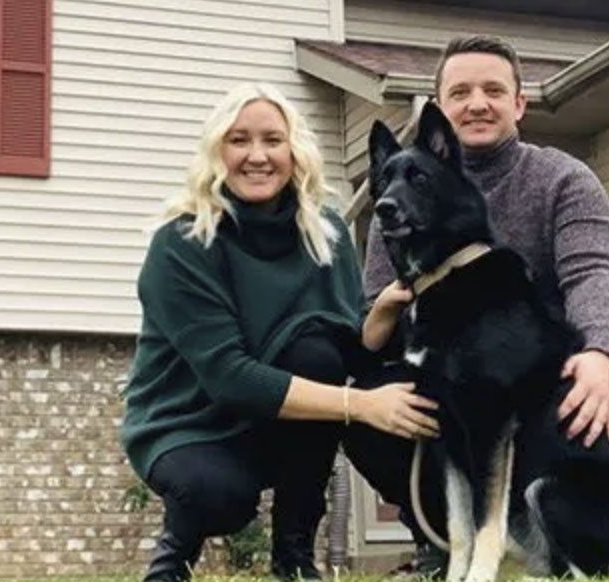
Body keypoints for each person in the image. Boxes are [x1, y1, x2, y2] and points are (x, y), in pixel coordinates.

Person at [363, 34, 609, 575]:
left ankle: (603, 512)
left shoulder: (562, 178)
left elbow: (592, 272)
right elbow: (378, 305)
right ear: (440, 109)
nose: (477, 103)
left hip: (545, 364)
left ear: (519, 103)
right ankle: (439, 536)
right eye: (460, 93)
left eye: (493, 90)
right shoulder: (398, 192)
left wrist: (600, 352)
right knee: (372, 398)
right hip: (447, 353)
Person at [121, 82, 440, 582]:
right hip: (189, 419)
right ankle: (171, 563)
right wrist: (359, 404)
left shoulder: (324, 232)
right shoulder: (182, 243)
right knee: (217, 495)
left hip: (278, 421)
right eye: (239, 140)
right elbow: (229, 377)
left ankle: (295, 558)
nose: (257, 156)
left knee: (320, 357)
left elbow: (345, 353)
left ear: (295, 151)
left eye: (272, 140)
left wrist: (380, 313)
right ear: (217, 152)